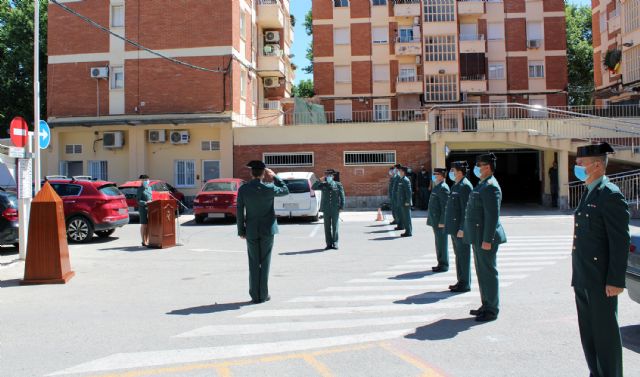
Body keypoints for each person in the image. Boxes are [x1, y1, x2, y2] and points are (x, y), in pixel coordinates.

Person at [572, 142, 629, 377]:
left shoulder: (610, 195)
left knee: (605, 335)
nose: (578, 167)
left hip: (601, 279)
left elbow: (619, 242)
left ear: (596, 165)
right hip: (584, 276)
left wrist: (615, 280)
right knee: (589, 333)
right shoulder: (590, 191)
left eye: (581, 164)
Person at [236, 161, 290, 304]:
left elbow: (239, 211)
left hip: (252, 230)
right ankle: (263, 294)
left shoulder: (244, 189)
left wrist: (241, 230)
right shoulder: (270, 187)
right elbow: (285, 190)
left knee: (253, 262)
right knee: (265, 262)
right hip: (267, 230)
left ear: (251, 173)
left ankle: (255, 295)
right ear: (263, 174)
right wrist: (275, 177)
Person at [463, 153, 507, 322]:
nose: (478, 168)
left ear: (487, 167)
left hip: (485, 237)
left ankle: (492, 309)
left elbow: (492, 216)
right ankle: (486, 304)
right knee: (482, 272)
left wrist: (487, 240)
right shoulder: (482, 184)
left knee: (488, 272)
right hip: (478, 236)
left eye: (480, 165)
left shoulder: (491, 186)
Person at [445, 161, 473, 292]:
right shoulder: (456, 185)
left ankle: (465, 283)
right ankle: (460, 280)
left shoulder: (465, 186)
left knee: (463, 255)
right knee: (458, 255)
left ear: (460, 172)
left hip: (460, 229)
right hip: (454, 227)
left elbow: (466, 210)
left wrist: (463, 228)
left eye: (453, 170)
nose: (451, 173)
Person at [312, 169, 346, 250]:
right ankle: (328, 244)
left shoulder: (338, 185)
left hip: (335, 209)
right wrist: (320, 180)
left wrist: (341, 207)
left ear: (333, 176)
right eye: (327, 176)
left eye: (330, 176)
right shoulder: (323, 184)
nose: (329, 177)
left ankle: (335, 243)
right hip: (326, 209)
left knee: (335, 226)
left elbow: (342, 196)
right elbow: (313, 187)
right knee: (327, 227)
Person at [427, 168, 450, 271]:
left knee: (442, 243)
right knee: (438, 242)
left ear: (441, 175)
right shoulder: (438, 186)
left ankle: (444, 264)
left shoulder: (443, 188)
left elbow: (445, 207)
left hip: (440, 222)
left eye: (435, 174)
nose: (434, 176)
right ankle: (440, 263)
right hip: (435, 220)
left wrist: (442, 221)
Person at [396, 166, 413, 237]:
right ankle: (407, 230)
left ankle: (408, 231)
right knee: (405, 217)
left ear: (403, 172)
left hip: (405, 202)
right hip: (402, 202)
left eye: (400, 171)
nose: (399, 172)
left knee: (407, 217)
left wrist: (408, 201)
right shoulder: (401, 179)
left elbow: (408, 192)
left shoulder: (406, 180)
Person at [136, 175, 152, 246]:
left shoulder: (149, 188)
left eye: (147, 180)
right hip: (143, 209)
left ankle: (147, 240)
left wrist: (151, 201)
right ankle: (143, 241)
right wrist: (145, 202)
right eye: (144, 180)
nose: (146, 181)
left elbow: (151, 197)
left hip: (150, 208)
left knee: (149, 225)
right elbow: (138, 200)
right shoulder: (140, 189)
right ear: (141, 181)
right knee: (144, 224)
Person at [391, 164, 404, 231]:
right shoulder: (397, 177)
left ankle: (401, 225)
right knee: (397, 211)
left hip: (398, 197)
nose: (394, 170)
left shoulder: (400, 177)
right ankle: (399, 224)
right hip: (395, 197)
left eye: (395, 169)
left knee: (399, 212)